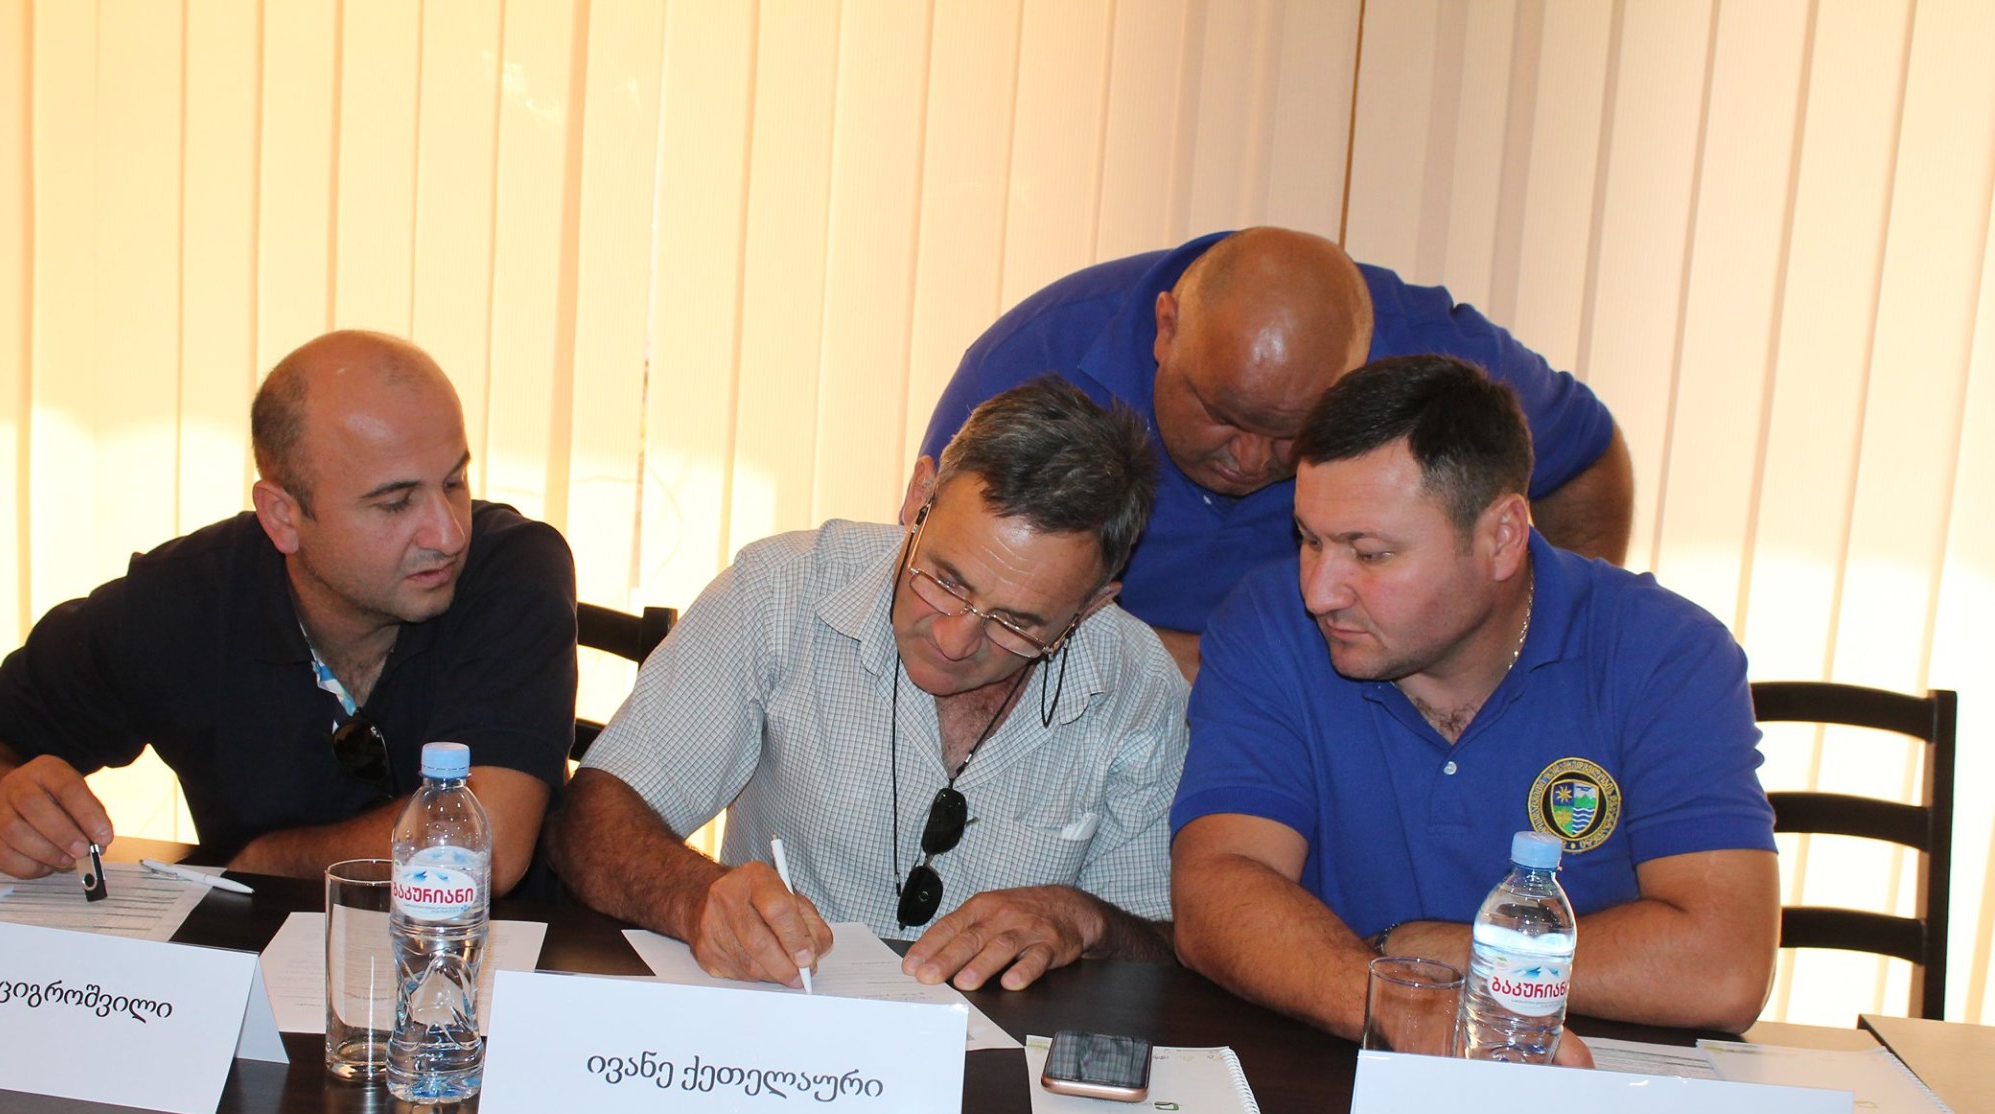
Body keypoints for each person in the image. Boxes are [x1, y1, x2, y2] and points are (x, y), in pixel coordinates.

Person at [1169, 355, 1778, 1051]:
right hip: (1335, 1059)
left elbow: (1722, 966)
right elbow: (1215, 892)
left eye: (1369, 553)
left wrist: (1431, 950)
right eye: (1309, 539)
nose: (1320, 591)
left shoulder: (1664, 652)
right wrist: (1406, 1011)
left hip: (1584, 1084)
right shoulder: (1269, 625)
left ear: (1502, 538)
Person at [549, 378, 1186, 993]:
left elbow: (1170, 947)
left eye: (1016, 624)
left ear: (1092, 606)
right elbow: (589, 823)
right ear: (918, 496)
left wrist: (1088, 920)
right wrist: (695, 898)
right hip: (776, 1014)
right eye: (946, 581)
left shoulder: (1139, 688)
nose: (955, 640)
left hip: (1003, 1049)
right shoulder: (781, 591)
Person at [0, 330, 577, 895]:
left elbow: (481, 850)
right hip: (253, 976)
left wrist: (265, 863)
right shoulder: (184, 599)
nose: (447, 533)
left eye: (454, 482)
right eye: (395, 503)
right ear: (282, 517)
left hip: (488, 969)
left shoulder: (514, 567)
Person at [920, 227, 1633, 679]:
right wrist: (1174, 660)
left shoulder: (1438, 361)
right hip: (1087, 696)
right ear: (1166, 330)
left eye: (1295, 431)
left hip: (1345, 700)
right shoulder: (1035, 359)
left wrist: (1530, 649)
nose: (1251, 459)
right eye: (1221, 414)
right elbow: (946, 589)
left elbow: (1587, 461)